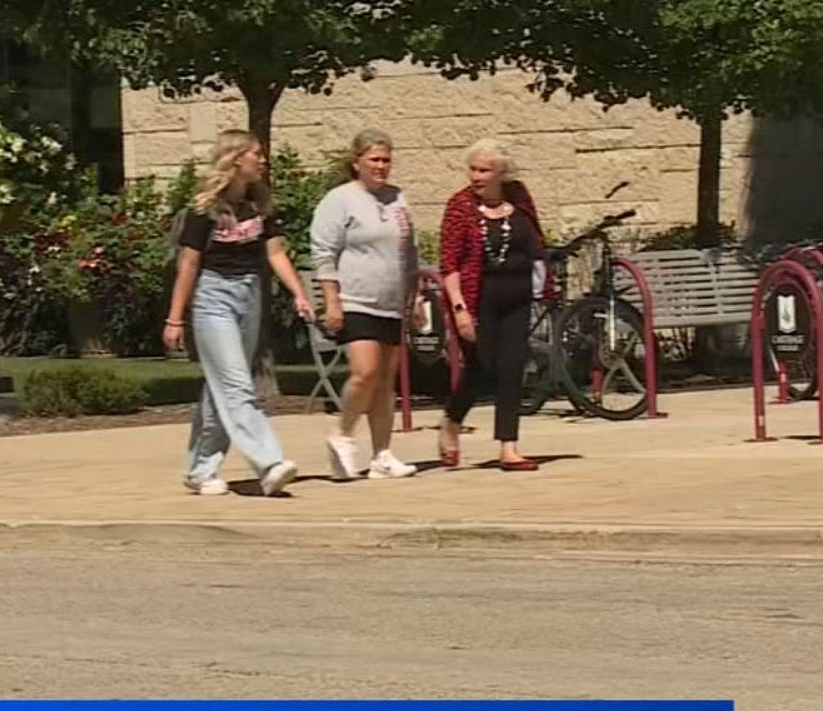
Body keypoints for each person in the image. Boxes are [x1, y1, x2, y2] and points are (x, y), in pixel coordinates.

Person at [162, 129, 314, 496]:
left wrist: (299, 293)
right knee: (236, 385)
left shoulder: (259, 206)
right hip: (212, 297)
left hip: (249, 294)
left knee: (222, 386)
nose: (262, 160)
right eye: (255, 154)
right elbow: (188, 265)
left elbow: (275, 253)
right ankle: (269, 462)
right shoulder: (204, 210)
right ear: (235, 159)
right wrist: (175, 318)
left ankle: (200, 470)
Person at [310, 128, 423, 480]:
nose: (381, 166)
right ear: (356, 162)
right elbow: (323, 252)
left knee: (386, 382)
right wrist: (332, 301)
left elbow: (410, 253)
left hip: (391, 301)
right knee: (366, 373)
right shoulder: (340, 199)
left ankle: (381, 455)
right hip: (356, 299)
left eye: (386, 160)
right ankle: (342, 434)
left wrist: (415, 298)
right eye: (374, 159)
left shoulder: (398, 198)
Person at [436, 138, 549, 471]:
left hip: (518, 296)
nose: (476, 176)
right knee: (481, 366)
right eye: (472, 169)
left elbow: (535, 240)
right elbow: (450, 264)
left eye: (484, 170)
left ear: (502, 173)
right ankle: (452, 420)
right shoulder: (459, 206)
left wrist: (544, 278)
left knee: (513, 367)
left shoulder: (519, 197)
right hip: (477, 298)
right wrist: (459, 310)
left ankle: (508, 447)